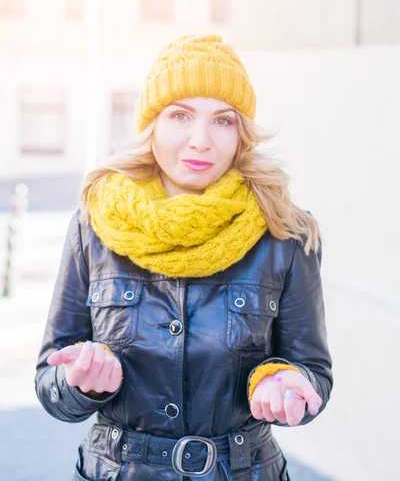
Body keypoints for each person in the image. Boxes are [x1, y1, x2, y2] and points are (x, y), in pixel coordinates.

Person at [35, 34, 333, 481]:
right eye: (180, 115)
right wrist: (81, 382)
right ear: (152, 123)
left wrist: (285, 384)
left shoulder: (285, 232)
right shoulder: (93, 226)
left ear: (241, 134)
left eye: (223, 121)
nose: (200, 141)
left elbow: (313, 371)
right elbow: (49, 379)